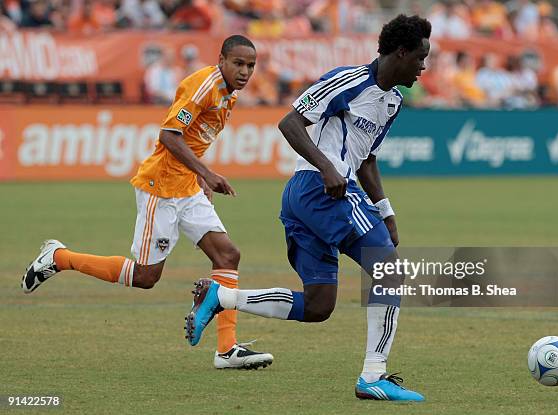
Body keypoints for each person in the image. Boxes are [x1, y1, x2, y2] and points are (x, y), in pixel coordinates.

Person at [185, 14, 431, 401]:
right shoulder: (350, 81)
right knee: (390, 270)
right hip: (320, 188)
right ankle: (373, 377)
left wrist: (384, 208)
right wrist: (327, 167)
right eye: (420, 57)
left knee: (318, 306)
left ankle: (221, 298)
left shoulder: (392, 102)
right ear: (401, 53)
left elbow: (366, 159)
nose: (423, 66)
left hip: (317, 195)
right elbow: (290, 123)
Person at [22, 35, 274, 370]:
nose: (245, 71)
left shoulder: (230, 93)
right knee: (145, 277)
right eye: (239, 64)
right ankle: (59, 257)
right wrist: (208, 173)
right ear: (222, 60)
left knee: (228, 254)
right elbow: (169, 136)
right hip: (160, 188)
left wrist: (198, 178)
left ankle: (227, 351)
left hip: (186, 187)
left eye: (251, 66)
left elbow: (194, 139)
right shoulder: (202, 86)